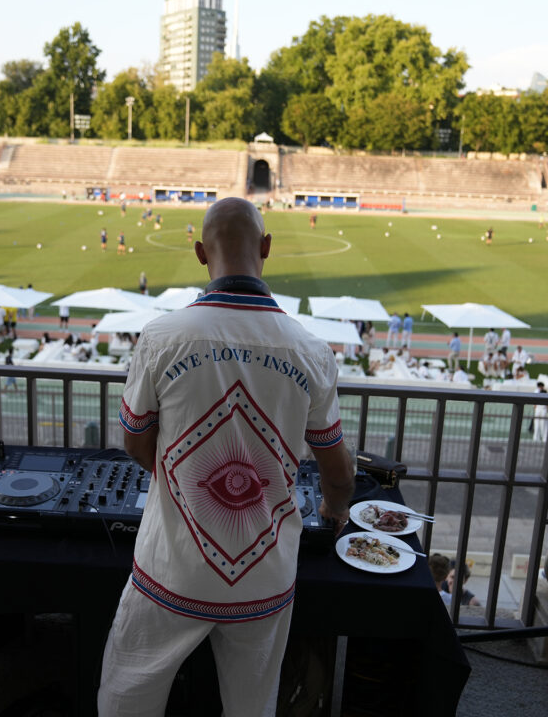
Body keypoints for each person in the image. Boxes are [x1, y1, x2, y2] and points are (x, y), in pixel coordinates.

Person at [98, 197, 355, 715]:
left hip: (171, 568)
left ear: (199, 253)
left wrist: (183, 480)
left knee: (127, 694)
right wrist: (335, 509)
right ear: (266, 249)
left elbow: (134, 441)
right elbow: (338, 469)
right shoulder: (311, 350)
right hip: (266, 574)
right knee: (252, 705)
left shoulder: (161, 338)